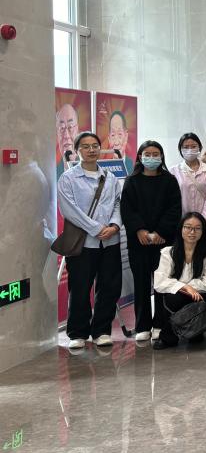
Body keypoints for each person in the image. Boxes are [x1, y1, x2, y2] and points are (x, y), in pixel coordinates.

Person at [57, 132, 123, 350]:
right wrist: (96, 229)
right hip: (83, 243)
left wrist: (114, 226)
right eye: (85, 146)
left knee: (109, 287)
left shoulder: (110, 177)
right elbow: (69, 210)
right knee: (80, 288)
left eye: (95, 145)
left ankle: (102, 331)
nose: (91, 150)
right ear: (77, 151)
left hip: (110, 241)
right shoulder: (68, 178)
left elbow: (118, 203)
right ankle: (78, 333)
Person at [120, 140, 182, 342]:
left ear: (162, 157)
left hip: (163, 241)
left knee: (162, 283)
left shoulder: (169, 181)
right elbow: (127, 209)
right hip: (138, 242)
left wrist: (160, 232)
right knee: (141, 284)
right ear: (140, 157)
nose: (152, 158)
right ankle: (142, 326)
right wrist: (140, 230)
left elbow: (174, 209)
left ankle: (160, 324)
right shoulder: (131, 181)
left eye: (156, 154)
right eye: (148, 154)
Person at [152, 212, 206, 349]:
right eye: (188, 227)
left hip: (200, 296)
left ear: (203, 231)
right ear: (181, 228)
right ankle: (173, 336)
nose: (192, 232)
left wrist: (183, 287)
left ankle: (192, 330)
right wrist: (186, 287)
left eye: (197, 228)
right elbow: (159, 282)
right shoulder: (168, 252)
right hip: (178, 296)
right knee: (173, 297)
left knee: (204, 295)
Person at [170, 133, 206, 221]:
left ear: (200, 148)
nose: (190, 150)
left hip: (205, 221)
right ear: (180, 150)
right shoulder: (173, 171)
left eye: (193, 146)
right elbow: (171, 199)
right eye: (186, 147)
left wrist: (202, 219)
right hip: (180, 221)